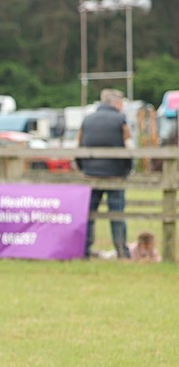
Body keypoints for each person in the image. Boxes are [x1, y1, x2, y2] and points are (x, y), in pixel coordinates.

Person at [77, 88, 133, 259]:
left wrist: (83, 169)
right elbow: (129, 147)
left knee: (89, 214)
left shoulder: (86, 120)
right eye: (122, 103)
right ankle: (121, 251)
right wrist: (127, 169)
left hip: (91, 175)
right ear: (116, 103)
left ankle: (85, 250)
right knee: (117, 214)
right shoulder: (121, 120)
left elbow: (78, 147)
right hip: (115, 175)